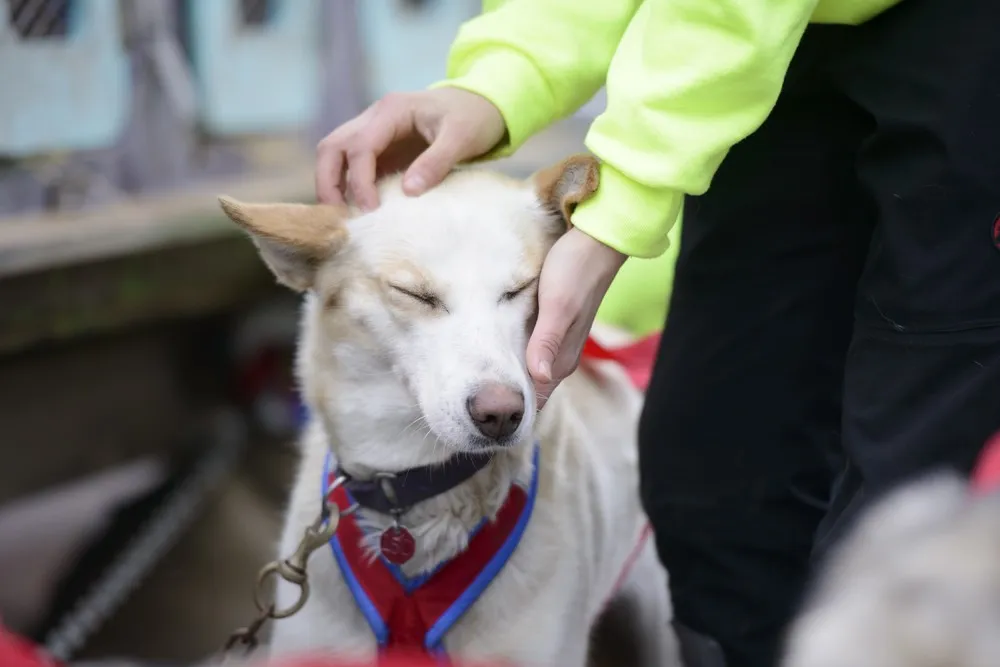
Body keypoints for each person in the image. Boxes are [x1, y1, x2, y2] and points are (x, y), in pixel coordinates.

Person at [315, 0, 1000, 665]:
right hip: (767, 53)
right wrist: (494, 84)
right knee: (714, 485)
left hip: (957, 43)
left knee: (906, 513)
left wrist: (621, 210)